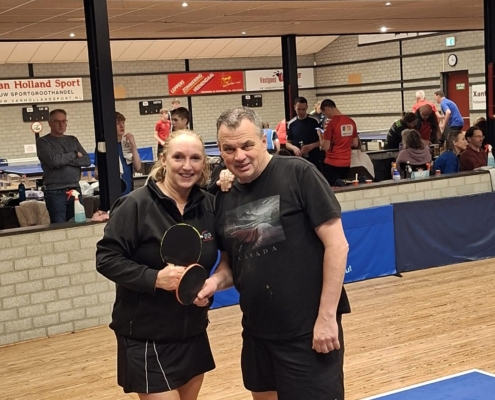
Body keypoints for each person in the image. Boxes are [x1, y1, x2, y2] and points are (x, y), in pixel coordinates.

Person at [198, 106, 351, 400]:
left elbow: (337, 245)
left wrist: (327, 318)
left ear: (263, 140)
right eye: (229, 149)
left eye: (247, 145)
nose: (239, 156)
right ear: (219, 150)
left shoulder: (299, 173)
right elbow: (231, 262)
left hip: (307, 332)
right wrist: (213, 283)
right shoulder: (223, 197)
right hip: (257, 332)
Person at [96, 129, 220, 400]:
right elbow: (106, 258)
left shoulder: (210, 206)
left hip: (192, 331)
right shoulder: (135, 205)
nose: (187, 166)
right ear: (164, 160)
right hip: (146, 336)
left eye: (195, 158)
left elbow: (223, 259)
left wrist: (207, 289)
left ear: (204, 163)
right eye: (178, 157)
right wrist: (154, 278)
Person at [36, 109, 91, 223]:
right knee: (59, 228)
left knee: (78, 224)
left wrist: (63, 160)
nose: (61, 124)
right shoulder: (43, 142)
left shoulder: (73, 140)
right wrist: (74, 154)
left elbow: (86, 160)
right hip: (55, 191)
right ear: (50, 123)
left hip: (75, 189)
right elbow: (53, 161)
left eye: (64, 121)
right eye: (57, 121)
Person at [95, 112, 142, 196]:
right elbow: (96, 174)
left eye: (123, 123)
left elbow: (138, 167)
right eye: (117, 123)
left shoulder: (127, 145)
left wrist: (133, 146)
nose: (122, 126)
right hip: (113, 193)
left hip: (129, 192)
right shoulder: (105, 146)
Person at [320, 98, 359, 186]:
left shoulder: (330, 124)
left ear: (327, 109)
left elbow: (325, 147)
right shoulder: (351, 122)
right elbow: (355, 144)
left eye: (324, 114)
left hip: (331, 163)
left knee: (333, 189)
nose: (326, 116)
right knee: (343, 188)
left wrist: (320, 136)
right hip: (346, 163)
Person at [286, 97, 323, 169]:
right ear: (294, 107)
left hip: (314, 158)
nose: (301, 112)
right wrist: (294, 148)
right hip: (298, 159)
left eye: (303, 109)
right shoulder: (291, 124)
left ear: (307, 107)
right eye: (299, 109)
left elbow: (322, 141)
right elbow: (287, 143)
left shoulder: (315, 121)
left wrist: (311, 146)